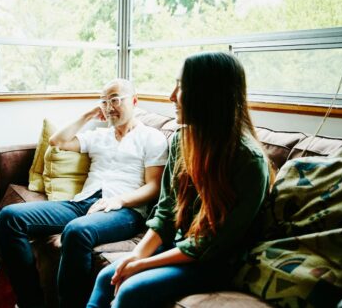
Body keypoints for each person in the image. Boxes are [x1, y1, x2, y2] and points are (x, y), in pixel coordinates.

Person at [87, 52, 275, 308]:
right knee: (107, 277)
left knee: (132, 290)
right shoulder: (180, 141)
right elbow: (166, 212)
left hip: (216, 263)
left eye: (182, 87)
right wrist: (135, 256)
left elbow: (211, 245)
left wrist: (143, 264)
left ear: (209, 96)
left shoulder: (249, 161)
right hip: (177, 246)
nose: (172, 96)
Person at [0, 78, 168, 308]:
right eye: (104, 101)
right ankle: (31, 302)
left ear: (134, 101)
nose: (109, 106)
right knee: (9, 218)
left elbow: (154, 186)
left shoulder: (151, 137)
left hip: (125, 210)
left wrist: (118, 200)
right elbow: (57, 141)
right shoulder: (99, 135)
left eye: (115, 99)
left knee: (76, 231)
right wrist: (88, 115)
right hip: (82, 202)